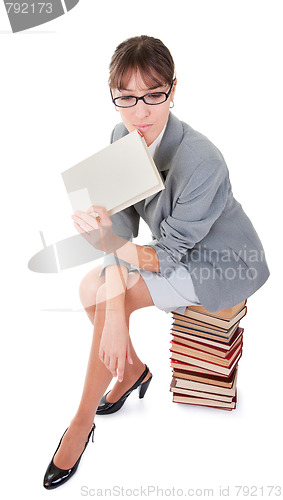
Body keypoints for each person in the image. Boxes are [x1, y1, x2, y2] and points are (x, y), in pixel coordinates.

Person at [43, 35, 269, 489]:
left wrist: (115, 309)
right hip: (171, 250)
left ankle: (80, 424)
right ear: (114, 97)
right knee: (91, 289)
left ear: (173, 89)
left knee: (112, 297)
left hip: (221, 262)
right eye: (126, 98)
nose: (140, 112)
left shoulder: (202, 160)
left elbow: (165, 254)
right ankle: (130, 372)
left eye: (153, 95)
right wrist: (109, 259)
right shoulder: (121, 136)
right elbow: (123, 227)